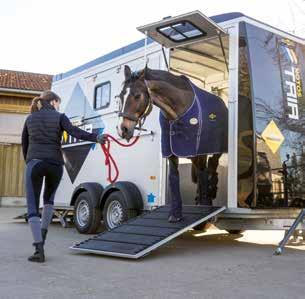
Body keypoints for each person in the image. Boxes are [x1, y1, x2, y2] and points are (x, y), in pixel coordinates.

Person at [21, 90, 106, 263]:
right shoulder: (60, 117)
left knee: (32, 206)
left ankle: (39, 249)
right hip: (55, 164)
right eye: (58, 102)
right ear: (52, 102)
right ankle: (42, 239)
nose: (59, 106)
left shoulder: (30, 119)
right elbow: (75, 132)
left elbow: (25, 143)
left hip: (35, 163)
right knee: (48, 201)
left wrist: (29, 161)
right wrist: (96, 138)